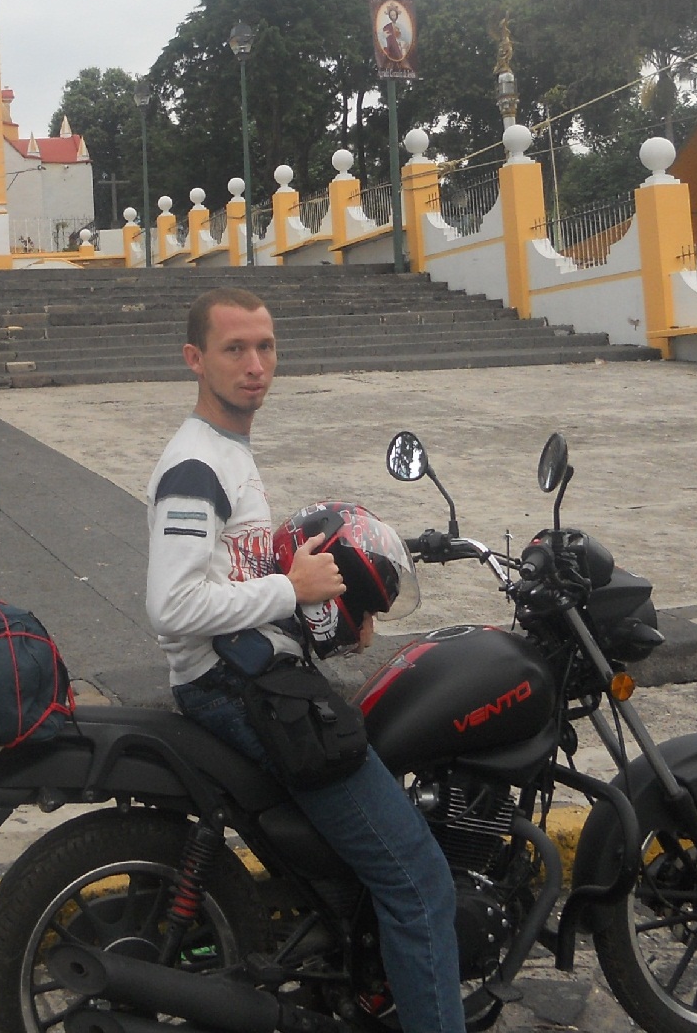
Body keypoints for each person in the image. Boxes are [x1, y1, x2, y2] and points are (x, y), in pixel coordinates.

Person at [144, 288, 465, 1033]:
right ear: (195, 359)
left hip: (256, 669)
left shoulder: (229, 452)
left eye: (265, 348)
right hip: (234, 688)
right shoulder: (195, 467)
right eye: (234, 350)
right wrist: (291, 590)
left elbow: (233, 577)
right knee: (418, 879)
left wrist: (324, 612)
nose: (255, 366)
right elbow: (173, 606)